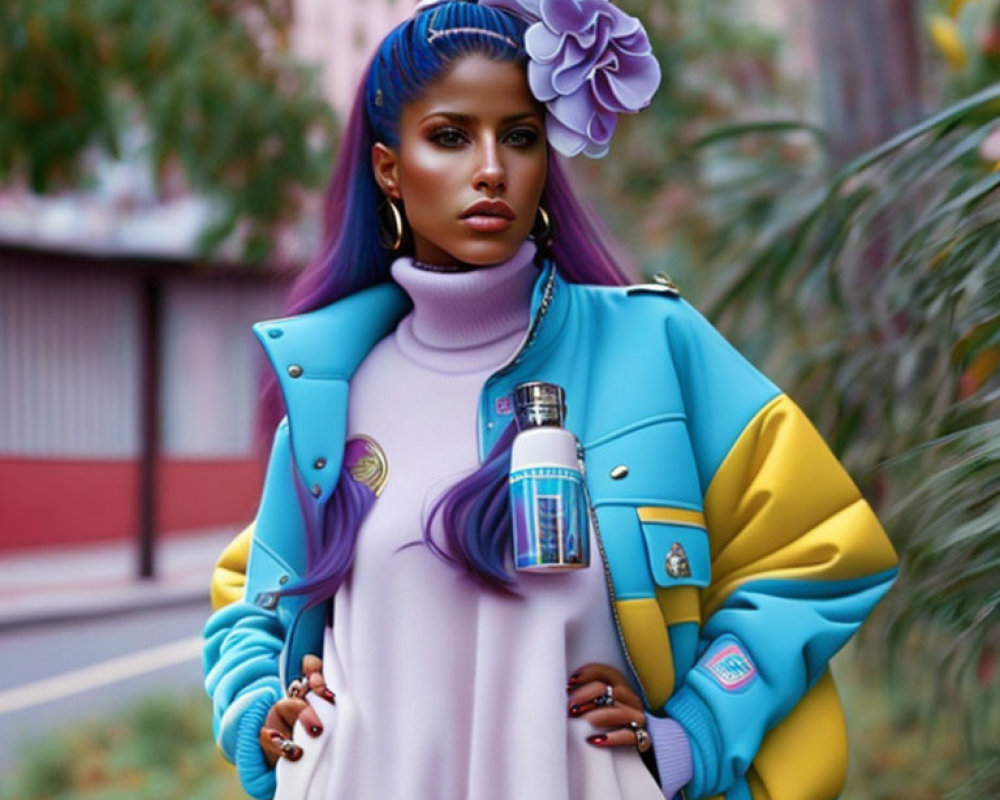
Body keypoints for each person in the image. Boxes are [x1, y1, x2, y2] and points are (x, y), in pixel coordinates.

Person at [203, 2, 899, 799]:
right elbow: (252, 602)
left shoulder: (654, 347)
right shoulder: (333, 385)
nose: (492, 167)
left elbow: (822, 554)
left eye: (521, 136)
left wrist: (698, 729)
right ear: (391, 169)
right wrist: (261, 708)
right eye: (452, 136)